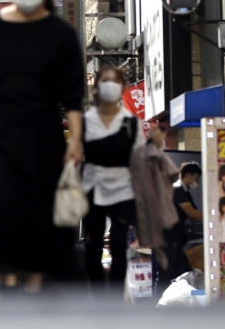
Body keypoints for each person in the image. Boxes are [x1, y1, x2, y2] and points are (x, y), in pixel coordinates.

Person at [0, 0, 85, 295]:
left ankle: (34, 286)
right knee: (3, 208)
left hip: (45, 136)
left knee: (40, 212)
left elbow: (72, 96)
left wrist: (75, 141)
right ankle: (9, 284)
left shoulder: (61, 33)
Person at [79, 65, 145, 296]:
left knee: (118, 244)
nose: (109, 85)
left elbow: (139, 159)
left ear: (122, 87)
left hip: (123, 189)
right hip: (92, 188)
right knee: (92, 245)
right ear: (96, 86)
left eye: (115, 81)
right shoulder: (84, 121)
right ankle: (97, 296)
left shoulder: (132, 123)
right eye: (105, 80)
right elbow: (75, 156)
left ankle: (116, 299)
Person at [160, 162, 202, 283]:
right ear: (188, 175)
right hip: (169, 238)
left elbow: (196, 214)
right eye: (196, 177)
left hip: (177, 238)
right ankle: (161, 299)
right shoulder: (178, 189)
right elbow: (193, 213)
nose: (197, 181)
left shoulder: (185, 192)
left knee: (179, 272)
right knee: (169, 273)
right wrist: (215, 216)